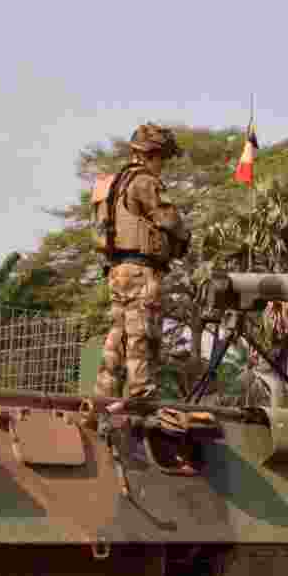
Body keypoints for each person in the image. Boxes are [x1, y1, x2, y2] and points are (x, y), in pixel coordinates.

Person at [92, 124, 190, 401]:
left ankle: (105, 393)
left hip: (117, 270)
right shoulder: (145, 181)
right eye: (165, 158)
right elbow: (170, 221)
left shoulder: (112, 183)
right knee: (143, 333)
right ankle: (141, 394)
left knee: (118, 334)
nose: (164, 165)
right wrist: (183, 239)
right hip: (142, 269)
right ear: (154, 154)